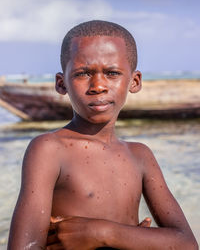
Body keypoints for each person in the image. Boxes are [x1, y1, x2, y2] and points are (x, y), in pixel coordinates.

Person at [8, 20, 198, 250]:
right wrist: (138, 239)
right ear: (61, 84)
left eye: (112, 73)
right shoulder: (49, 149)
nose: (98, 85)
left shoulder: (140, 155)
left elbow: (187, 244)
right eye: (83, 73)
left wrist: (102, 233)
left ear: (134, 81)